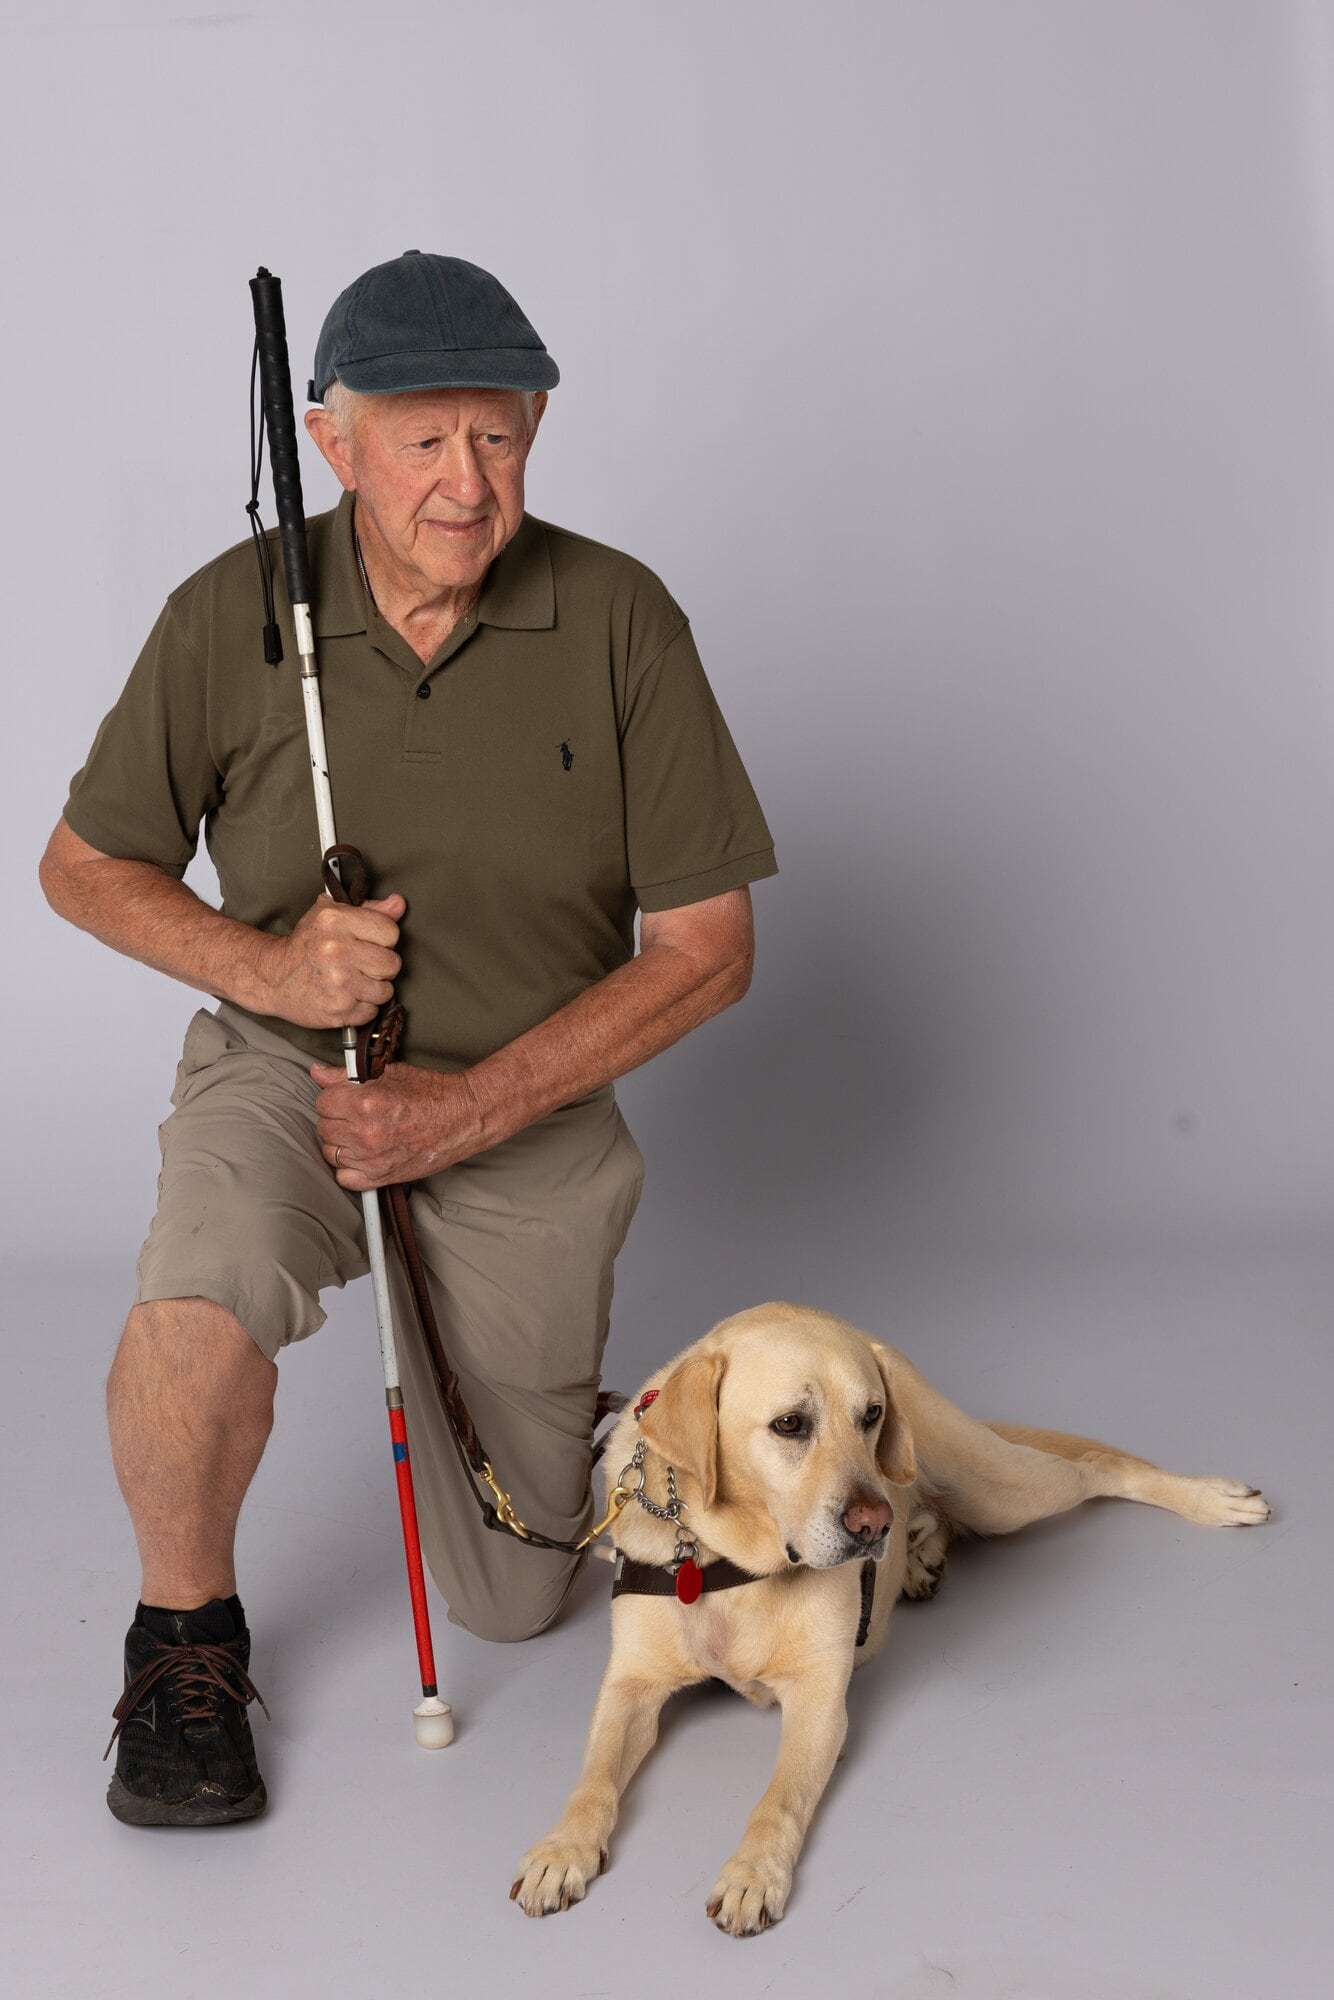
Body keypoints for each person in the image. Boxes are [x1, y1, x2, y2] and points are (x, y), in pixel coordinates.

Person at [40, 251, 776, 1827]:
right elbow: (80, 868)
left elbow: (707, 952)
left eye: (496, 437)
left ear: (535, 433)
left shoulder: (618, 616)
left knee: (519, 1600)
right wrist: (272, 969)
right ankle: (183, 1639)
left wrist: (467, 1113)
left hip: (527, 1100)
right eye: (423, 440)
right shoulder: (231, 615)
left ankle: (579, 1425)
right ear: (334, 441)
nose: (465, 481)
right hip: (287, 1074)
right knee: (197, 1295)